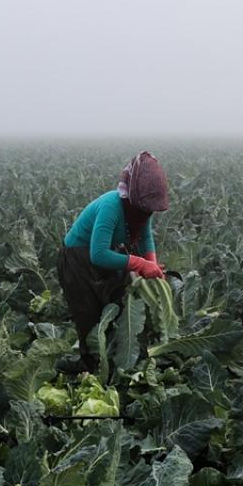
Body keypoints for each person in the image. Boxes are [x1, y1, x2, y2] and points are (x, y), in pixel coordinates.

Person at [57, 151, 169, 373]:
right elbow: (97, 254)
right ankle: (89, 371)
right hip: (77, 259)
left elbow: (146, 237)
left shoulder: (141, 210)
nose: (149, 211)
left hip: (103, 256)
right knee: (89, 318)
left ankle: (119, 362)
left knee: (116, 307)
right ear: (133, 195)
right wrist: (140, 264)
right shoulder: (112, 206)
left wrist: (152, 264)